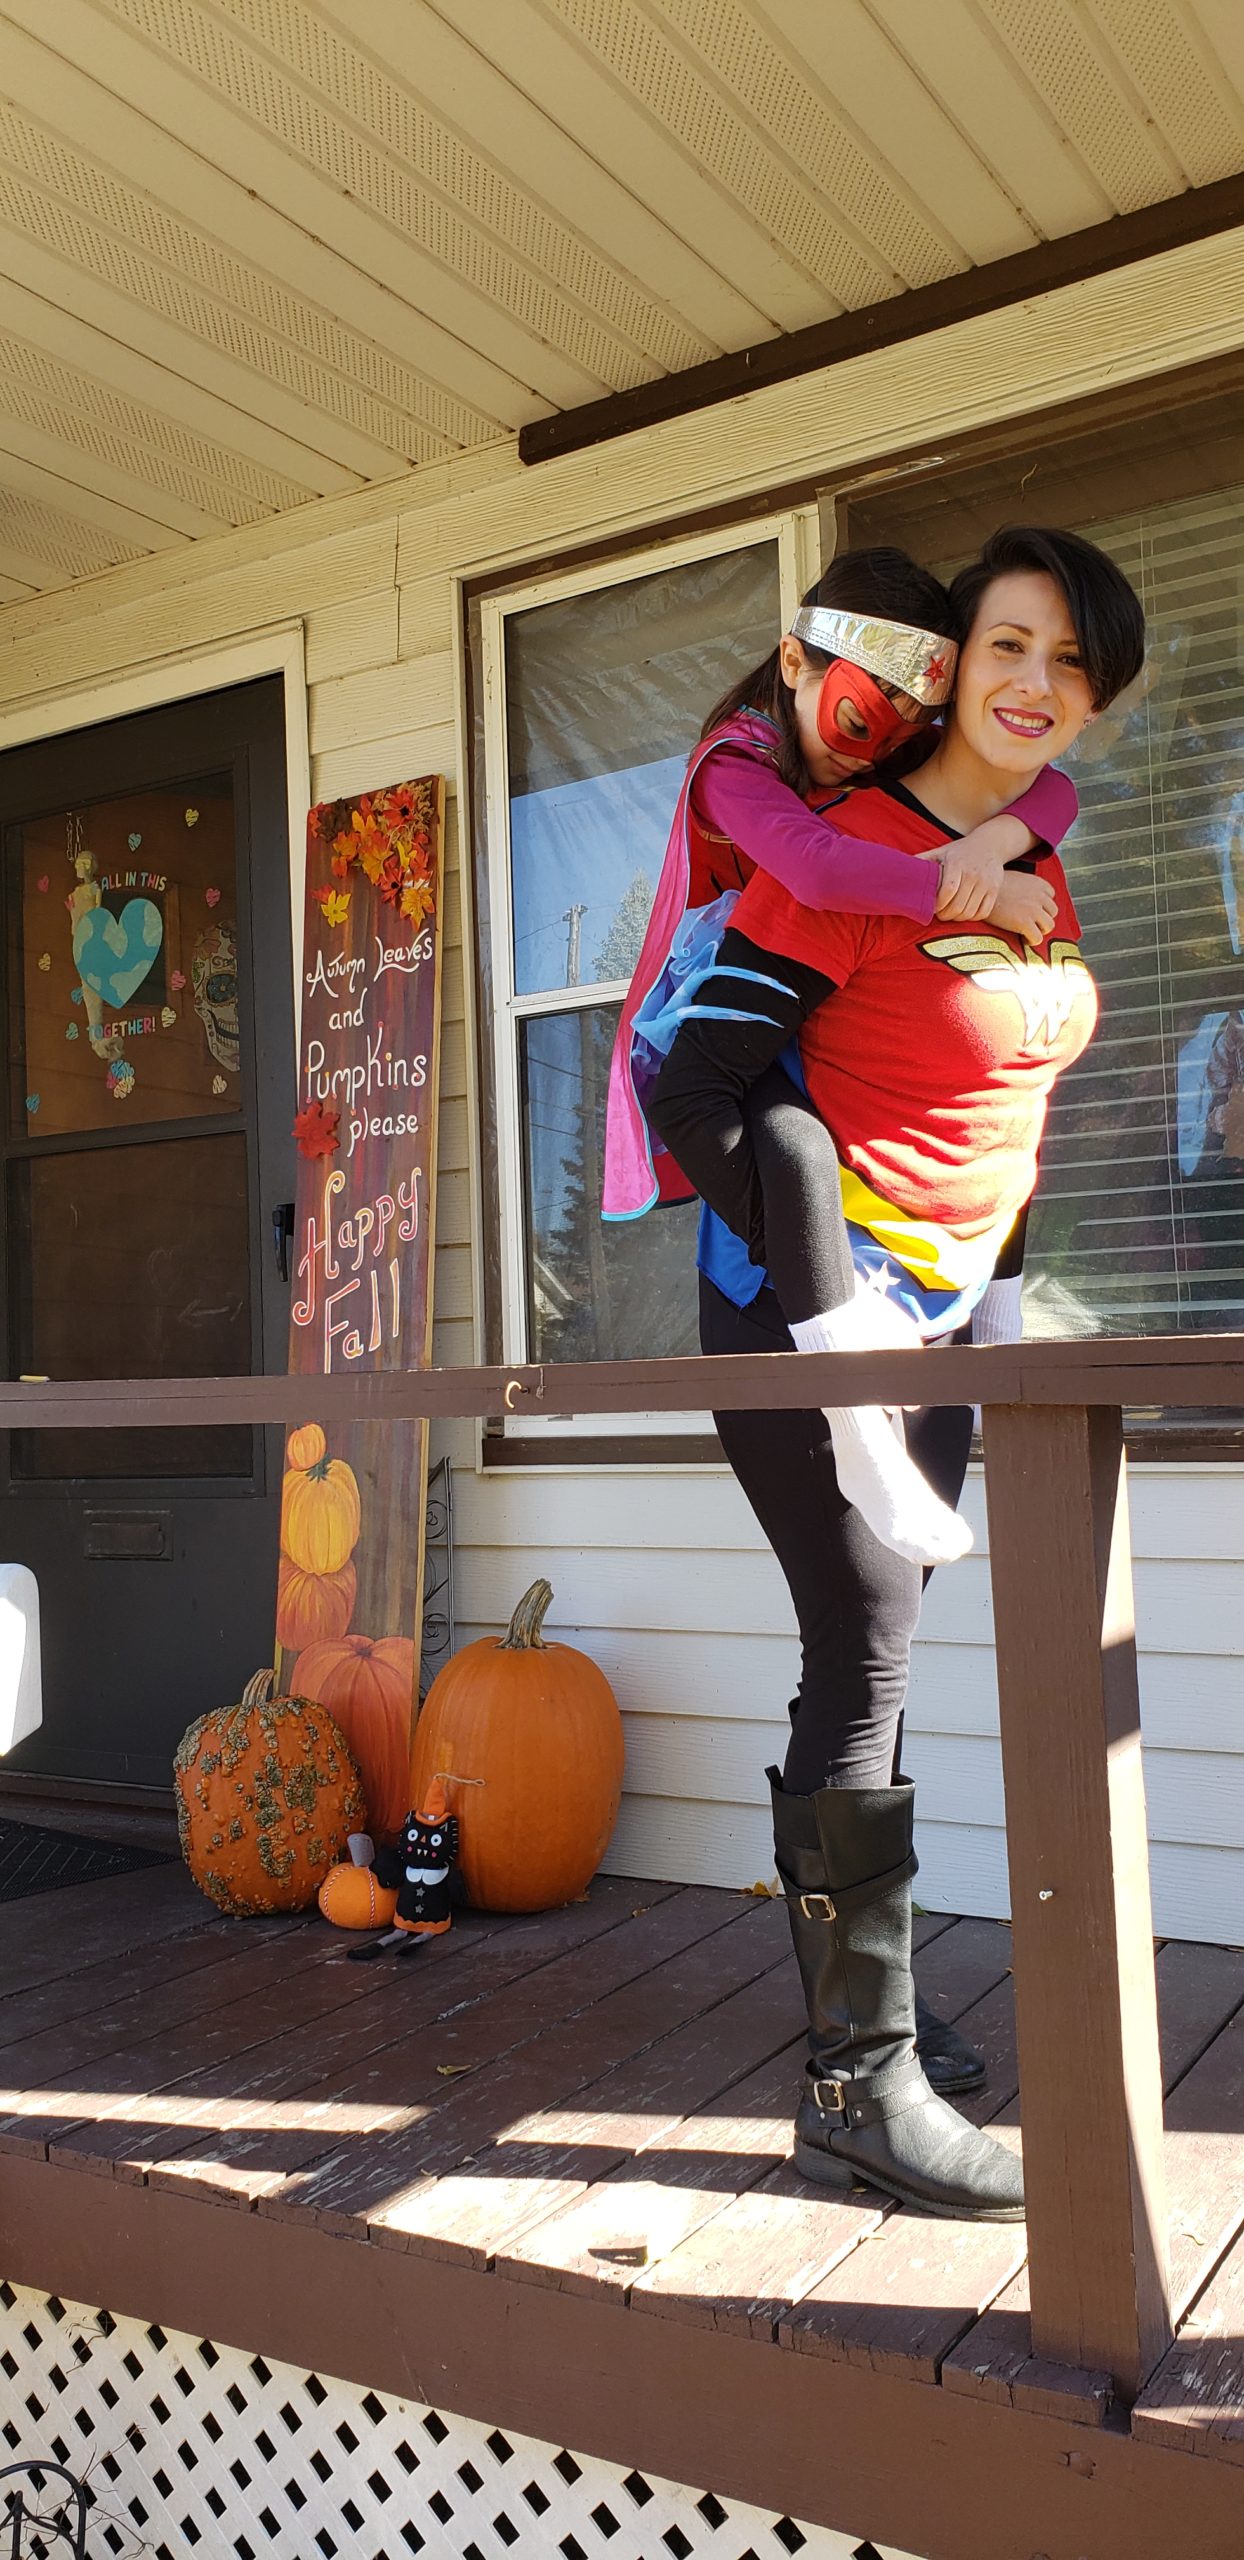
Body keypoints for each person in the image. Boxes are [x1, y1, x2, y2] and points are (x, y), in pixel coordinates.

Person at [645, 526, 1146, 2221]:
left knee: (868, 1654)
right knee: (860, 1651)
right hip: (806, 1314)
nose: (1032, 685)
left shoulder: (1020, 855)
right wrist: (824, 1312)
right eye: (1008, 643)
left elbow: (1002, 1105)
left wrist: (998, 1299)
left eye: (1069, 665)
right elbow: (702, 1087)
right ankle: (856, 2088)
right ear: (944, 663)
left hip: (943, 1313)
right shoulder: (842, 848)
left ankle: (863, 2018)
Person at [605, 546, 1079, 1565]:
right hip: (704, 1006)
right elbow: (817, 869)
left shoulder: (856, 762)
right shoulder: (733, 763)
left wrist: (991, 842)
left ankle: (973, 1330)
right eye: (862, 722)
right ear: (792, 661)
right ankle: (851, 1405)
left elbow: (1055, 799)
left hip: (796, 999)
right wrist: (968, 883)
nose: (875, 756)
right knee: (793, 1149)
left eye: (911, 734)